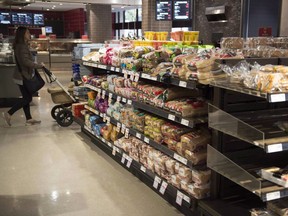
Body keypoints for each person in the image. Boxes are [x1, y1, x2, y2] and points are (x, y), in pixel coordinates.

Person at [2, 26, 45, 126]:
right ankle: (8, 113)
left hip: (21, 75)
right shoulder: (21, 46)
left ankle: (28, 119)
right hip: (22, 76)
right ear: (22, 35)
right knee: (27, 98)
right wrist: (39, 65)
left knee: (27, 97)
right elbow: (25, 62)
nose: (29, 34)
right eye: (27, 33)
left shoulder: (20, 45)